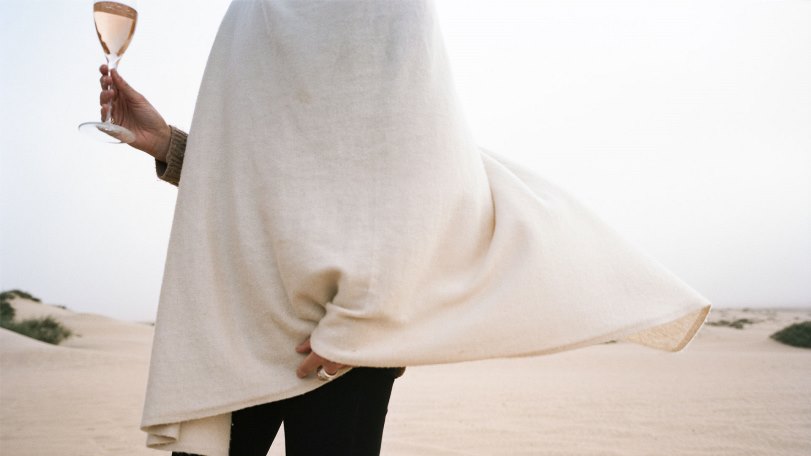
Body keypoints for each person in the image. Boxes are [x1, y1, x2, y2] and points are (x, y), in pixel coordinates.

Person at [97, 1, 710, 455]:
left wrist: (365, 322)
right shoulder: (251, 10)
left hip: (335, 340)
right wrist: (172, 146)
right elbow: (278, 163)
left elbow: (410, 163)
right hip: (229, 320)